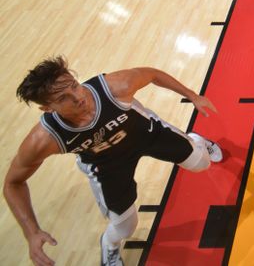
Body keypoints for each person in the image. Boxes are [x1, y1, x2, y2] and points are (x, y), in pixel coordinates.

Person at [3, 56, 223, 266]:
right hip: (107, 166)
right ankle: (109, 244)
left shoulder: (115, 86)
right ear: (47, 108)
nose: (78, 96)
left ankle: (195, 139)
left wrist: (192, 95)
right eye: (63, 98)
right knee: (126, 227)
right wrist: (31, 232)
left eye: (74, 85)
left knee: (201, 164)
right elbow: (13, 183)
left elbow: (153, 74)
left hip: (148, 135)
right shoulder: (45, 139)